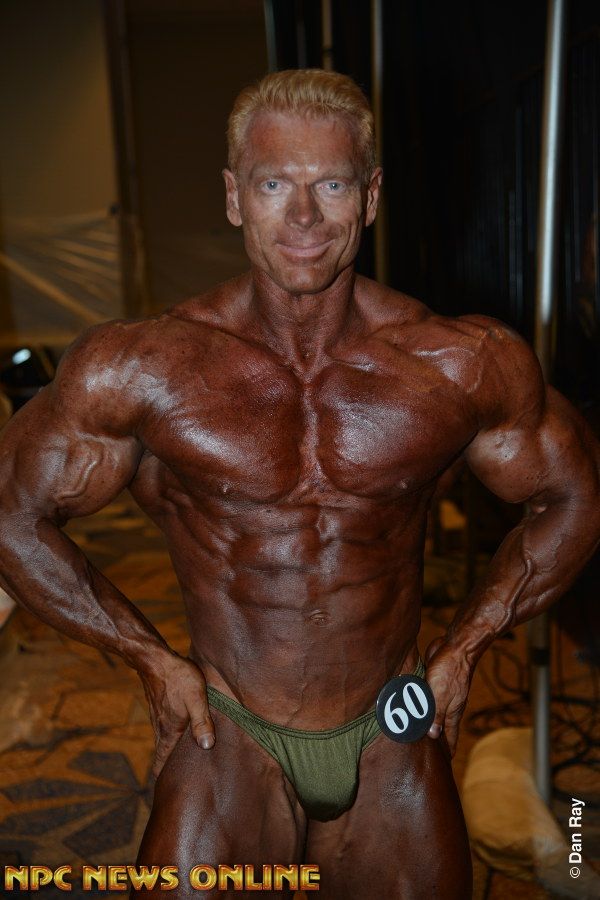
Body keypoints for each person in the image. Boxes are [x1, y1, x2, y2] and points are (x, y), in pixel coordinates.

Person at [0, 69, 598, 899]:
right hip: (230, 726)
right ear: (234, 197)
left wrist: (468, 646)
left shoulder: (456, 364)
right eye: (275, 184)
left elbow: (573, 495)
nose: (305, 216)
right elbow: (14, 514)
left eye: (332, 185)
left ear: (372, 196)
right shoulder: (143, 368)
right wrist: (147, 659)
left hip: (390, 724)